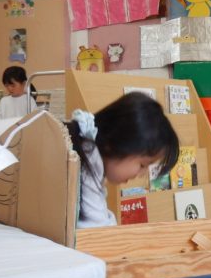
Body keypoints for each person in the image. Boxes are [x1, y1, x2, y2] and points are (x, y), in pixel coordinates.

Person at [67, 92, 179, 228]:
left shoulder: (90, 155)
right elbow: (98, 228)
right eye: (142, 165)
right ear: (114, 144)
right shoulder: (87, 161)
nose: (142, 173)